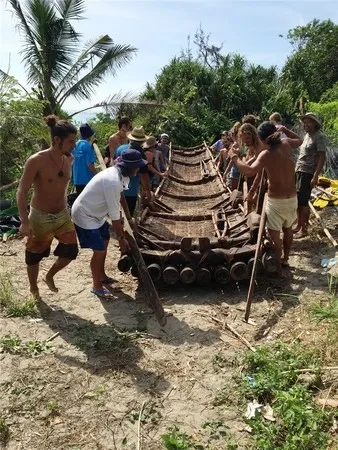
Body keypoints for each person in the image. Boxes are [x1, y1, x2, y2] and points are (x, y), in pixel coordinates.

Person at [17, 115, 79, 299]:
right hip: (40, 216)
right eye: (70, 141)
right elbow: (21, 192)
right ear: (57, 140)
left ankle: (50, 276)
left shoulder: (68, 159)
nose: (73, 145)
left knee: (71, 250)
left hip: (62, 214)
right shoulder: (36, 160)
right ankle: (34, 289)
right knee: (34, 255)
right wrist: (24, 221)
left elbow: (62, 186)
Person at [71, 149, 147, 299]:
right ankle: (96, 286)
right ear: (130, 167)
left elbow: (120, 199)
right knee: (99, 251)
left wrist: (129, 217)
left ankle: (102, 276)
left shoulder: (119, 175)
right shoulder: (112, 181)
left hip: (96, 214)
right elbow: (114, 217)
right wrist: (121, 238)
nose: (139, 169)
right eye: (137, 166)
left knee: (105, 240)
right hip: (85, 214)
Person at [228, 121, 300, 274]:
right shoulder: (286, 144)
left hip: (276, 201)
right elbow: (300, 140)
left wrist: (234, 158)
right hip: (292, 198)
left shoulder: (266, 154)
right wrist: (286, 129)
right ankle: (285, 259)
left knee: (275, 236)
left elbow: (248, 171)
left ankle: (279, 268)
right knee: (288, 229)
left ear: (261, 139)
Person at [294, 113, 326, 238]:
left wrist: (315, 176)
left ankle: (304, 229)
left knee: (303, 201)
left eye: (308, 122)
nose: (305, 124)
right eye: (304, 122)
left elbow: (322, 157)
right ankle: (298, 224)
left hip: (308, 172)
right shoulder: (307, 136)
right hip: (299, 170)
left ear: (314, 123)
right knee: (297, 200)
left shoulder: (319, 137)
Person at [127, 126, 152, 206]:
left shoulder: (121, 148)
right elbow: (144, 175)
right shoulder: (140, 154)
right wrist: (148, 192)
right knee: (130, 215)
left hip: (116, 189)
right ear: (142, 141)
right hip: (131, 191)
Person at [72, 123, 97, 195]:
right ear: (90, 134)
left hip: (77, 180)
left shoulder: (75, 145)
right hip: (87, 181)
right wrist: (97, 175)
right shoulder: (87, 146)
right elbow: (90, 165)